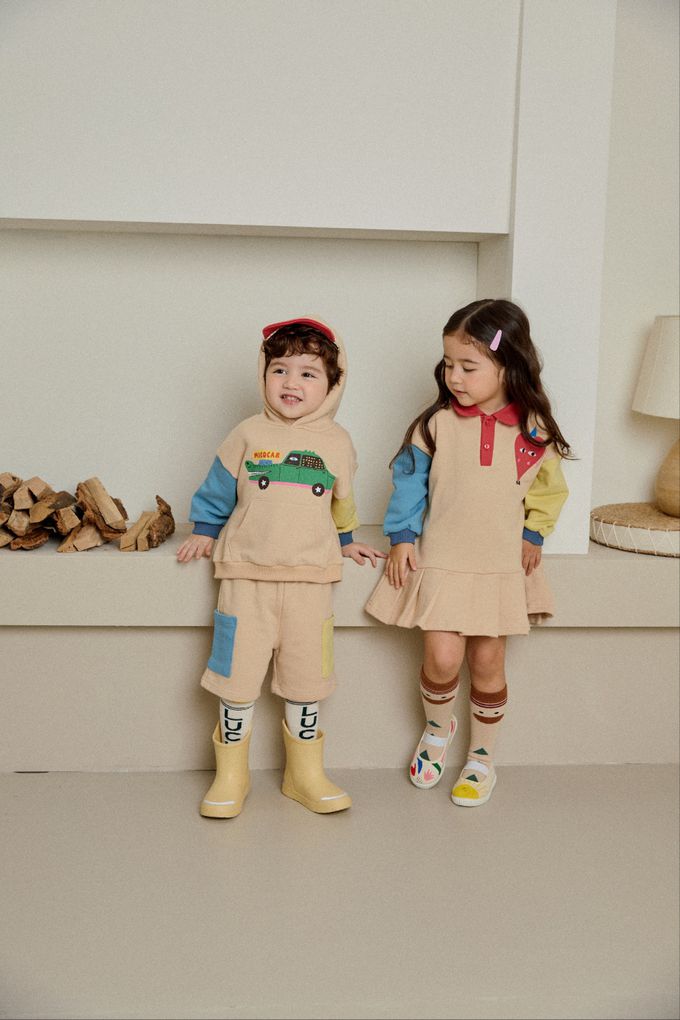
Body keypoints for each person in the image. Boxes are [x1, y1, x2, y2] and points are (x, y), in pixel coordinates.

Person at [365, 298, 570, 807]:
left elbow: (549, 489)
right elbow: (408, 484)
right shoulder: (435, 425)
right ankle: (438, 730)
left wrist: (534, 534)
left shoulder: (534, 430)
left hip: (498, 564)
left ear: (508, 365)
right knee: (441, 657)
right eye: (448, 364)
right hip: (442, 558)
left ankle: (481, 757)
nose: (453, 376)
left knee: (487, 661)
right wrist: (402, 537)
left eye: (468, 366)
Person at [178, 317, 385, 818]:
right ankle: (232, 774)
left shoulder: (338, 442)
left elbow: (342, 501)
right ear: (264, 375)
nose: (291, 382)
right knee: (235, 677)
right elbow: (217, 489)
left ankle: (304, 774)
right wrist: (204, 528)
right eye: (280, 370)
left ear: (333, 384)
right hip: (245, 578)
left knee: (307, 678)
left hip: (311, 581)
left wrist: (347, 541)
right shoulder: (247, 433)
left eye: (308, 373)